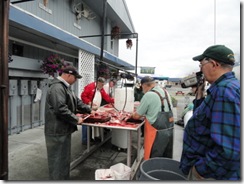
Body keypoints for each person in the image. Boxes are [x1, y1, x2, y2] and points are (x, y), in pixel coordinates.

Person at [180, 45, 240, 180]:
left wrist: (201, 170)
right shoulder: (226, 87)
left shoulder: (224, 92)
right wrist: (200, 93)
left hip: (211, 175)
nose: (200, 69)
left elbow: (229, 149)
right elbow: (203, 118)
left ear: (214, 64)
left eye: (202, 64)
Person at [44, 66, 95, 180]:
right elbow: (60, 108)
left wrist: (89, 110)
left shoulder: (66, 87)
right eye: (75, 78)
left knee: (64, 159)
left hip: (64, 130)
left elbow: (76, 101)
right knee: (57, 161)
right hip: (57, 131)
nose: (76, 80)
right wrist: (76, 119)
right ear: (68, 75)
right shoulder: (57, 88)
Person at [131, 76, 174, 160]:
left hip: (155, 133)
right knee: (164, 157)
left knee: (153, 157)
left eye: (142, 87)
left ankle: (150, 171)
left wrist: (131, 115)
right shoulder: (165, 92)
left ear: (144, 85)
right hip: (169, 130)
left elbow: (137, 116)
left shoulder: (149, 95)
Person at [81, 77, 114, 144]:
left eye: (103, 85)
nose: (102, 86)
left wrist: (113, 101)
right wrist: (89, 102)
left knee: (93, 123)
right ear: (98, 82)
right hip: (87, 107)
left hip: (95, 109)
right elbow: (83, 96)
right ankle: (85, 140)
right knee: (86, 123)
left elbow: (106, 97)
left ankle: (93, 137)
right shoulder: (90, 86)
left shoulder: (101, 89)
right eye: (101, 85)